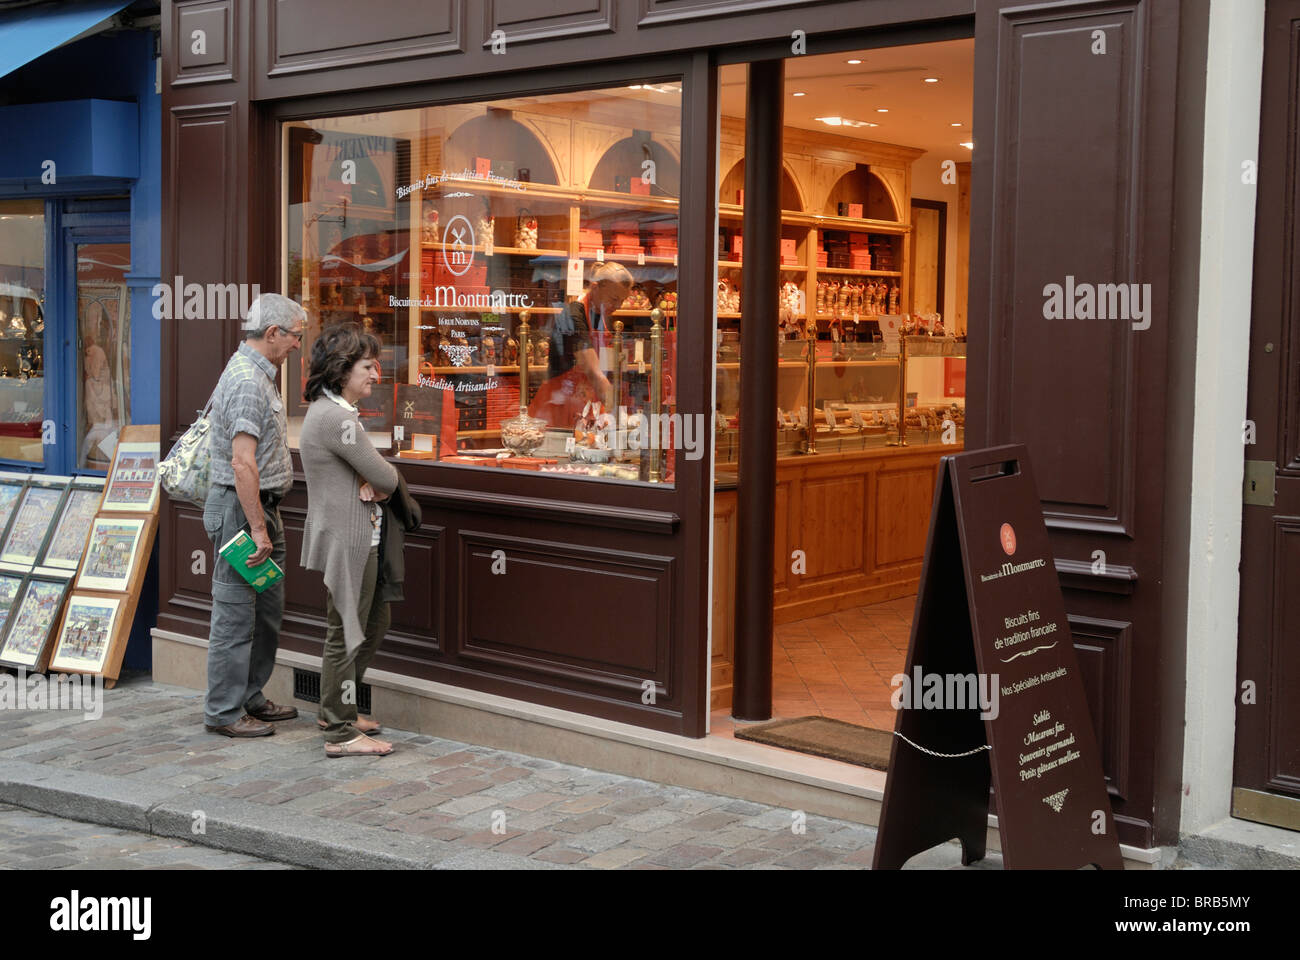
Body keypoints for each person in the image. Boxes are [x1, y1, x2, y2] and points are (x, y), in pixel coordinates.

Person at [299, 325, 421, 757]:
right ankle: (339, 731)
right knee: (346, 631)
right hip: (350, 540)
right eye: (368, 367)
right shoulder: (336, 419)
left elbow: (377, 476)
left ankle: (339, 708)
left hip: (355, 536)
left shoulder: (333, 414)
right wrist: (377, 479)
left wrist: (373, 478)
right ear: (342, 370)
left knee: (371, 623)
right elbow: (386, 475)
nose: (376, 375)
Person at [202, 293, 305, 737]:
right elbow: (243, 462)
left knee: (264, 610)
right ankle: (225, 712)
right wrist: (259, 529)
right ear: (272, 334)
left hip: (260, 509)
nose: (298, 345)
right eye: (296, 336)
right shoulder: (247, 379)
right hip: (244, 514)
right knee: (235, 614)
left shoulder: (259, 374)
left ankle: (250, 697)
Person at [528, 261, 633, 429]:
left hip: (586, 405)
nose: (618, 306)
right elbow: (594, 372)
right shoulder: (573, 315)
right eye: (614, 299)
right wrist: (618, 417)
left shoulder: (600, 316)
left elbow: (606, 369)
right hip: (560, 406)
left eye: (622, 300)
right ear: (595, 287)